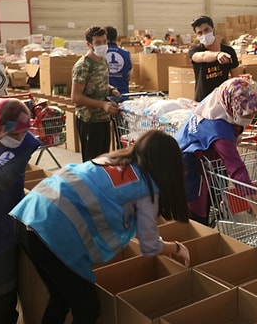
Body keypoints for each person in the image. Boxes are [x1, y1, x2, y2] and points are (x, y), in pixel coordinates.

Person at [10, 130, 190, 324]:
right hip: (52, 233)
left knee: (61, 298)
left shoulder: (112, 160)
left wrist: (157, 239)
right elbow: (150, 246)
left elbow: (137, 225)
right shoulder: (146, 190)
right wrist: (177, 248)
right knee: (87, 309)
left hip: (28, 215)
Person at [176, 76, 257, 227]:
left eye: (253, 113)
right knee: (197, 215)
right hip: (190, 164)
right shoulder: (218, 131)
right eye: (245, 114)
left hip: (204, 158)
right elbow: (238, 171)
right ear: (232, 106)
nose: (250, 118)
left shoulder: (221, 97)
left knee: (211, 199)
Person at [0, 98, 41, 323]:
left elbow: (3, 178)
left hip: (3, 223)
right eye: (13, 135)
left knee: (3, 289)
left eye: (22, 134)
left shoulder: (24, 146)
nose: (19, 139)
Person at [71, 26, 121, 162]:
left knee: (103, 160)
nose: (103, 45)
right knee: (92, 162)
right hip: (90, 121)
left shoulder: (102, 60)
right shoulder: (83, 66)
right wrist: (102, 104)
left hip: (103, 119)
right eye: (98, 43)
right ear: (89, 44)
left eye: (104, 41)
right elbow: (75, 97)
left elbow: (98, 82)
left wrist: (111, 89)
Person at [188, 15, 240, 102]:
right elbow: (203, 56)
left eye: (206, 30)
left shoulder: (229, 51)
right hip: (202, 102)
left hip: (222, 101)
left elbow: (236, 79)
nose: (204, 35)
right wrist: (217, 55)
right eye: (200, 33)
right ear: (196, 35)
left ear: (213, 29)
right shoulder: (195, 50)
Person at [105, 25, 132, 95]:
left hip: (104, 96)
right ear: (116, 37)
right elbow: (129, 75)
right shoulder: (126, 53)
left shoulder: (99, 53)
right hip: (123, 93)